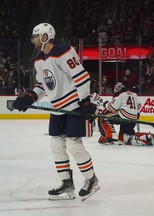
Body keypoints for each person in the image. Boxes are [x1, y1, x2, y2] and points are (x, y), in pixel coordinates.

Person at [12, 23, 99, 201]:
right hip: (57, 108)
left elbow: (81, 75)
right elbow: (42, 86)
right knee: (56, 145)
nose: (33, 39)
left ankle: (91, 179)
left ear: (45, 36)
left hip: (73, 105)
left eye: (35, 36)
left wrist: (85, 100)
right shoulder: (39, 60)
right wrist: (29, 97)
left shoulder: (63, 51)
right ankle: (66, 182)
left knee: (74, 145)